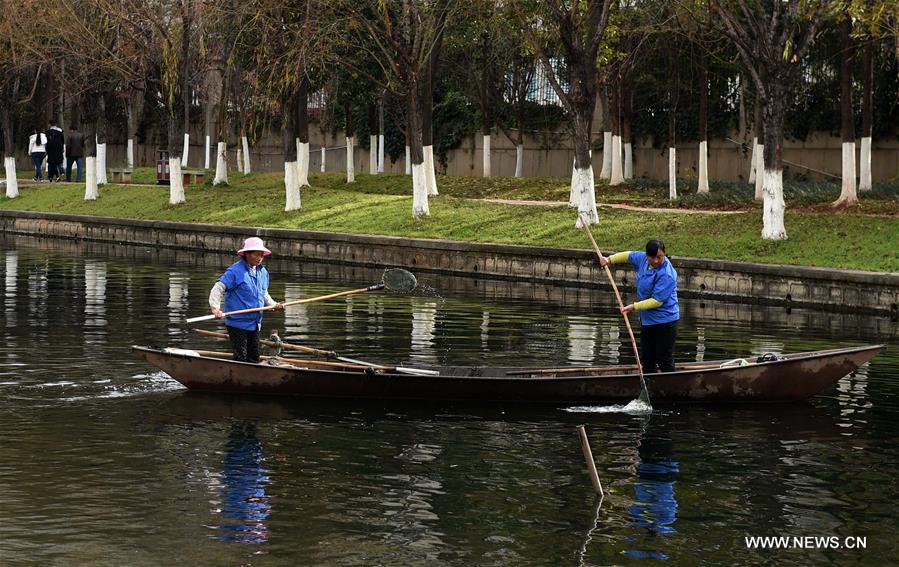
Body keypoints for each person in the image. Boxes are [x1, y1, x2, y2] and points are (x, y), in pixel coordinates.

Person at [599, 239, 679, 373]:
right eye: (652, 257)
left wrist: (634, 307)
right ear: (646, 255)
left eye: (659, 257)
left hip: (666, 321)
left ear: (664, 254)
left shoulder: (667, 274)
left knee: (663, 358)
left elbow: (657, 301)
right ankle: (650, 384)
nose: (655, 261)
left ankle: (671, 387)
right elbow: (628, 255)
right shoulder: (642, 259)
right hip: (647, 320)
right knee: (647, 359)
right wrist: (609, 260)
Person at [208, 237, 284, 363]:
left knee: (254, 357)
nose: (260, 258)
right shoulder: (235, 271)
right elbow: (218, 288)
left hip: (255, 323)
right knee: (241, 357)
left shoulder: (263, 272)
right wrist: (215, 308)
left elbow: (263, 293)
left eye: (262, 255)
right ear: (247, 254)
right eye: (257, 255)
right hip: (237, 322)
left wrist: (274, 305)